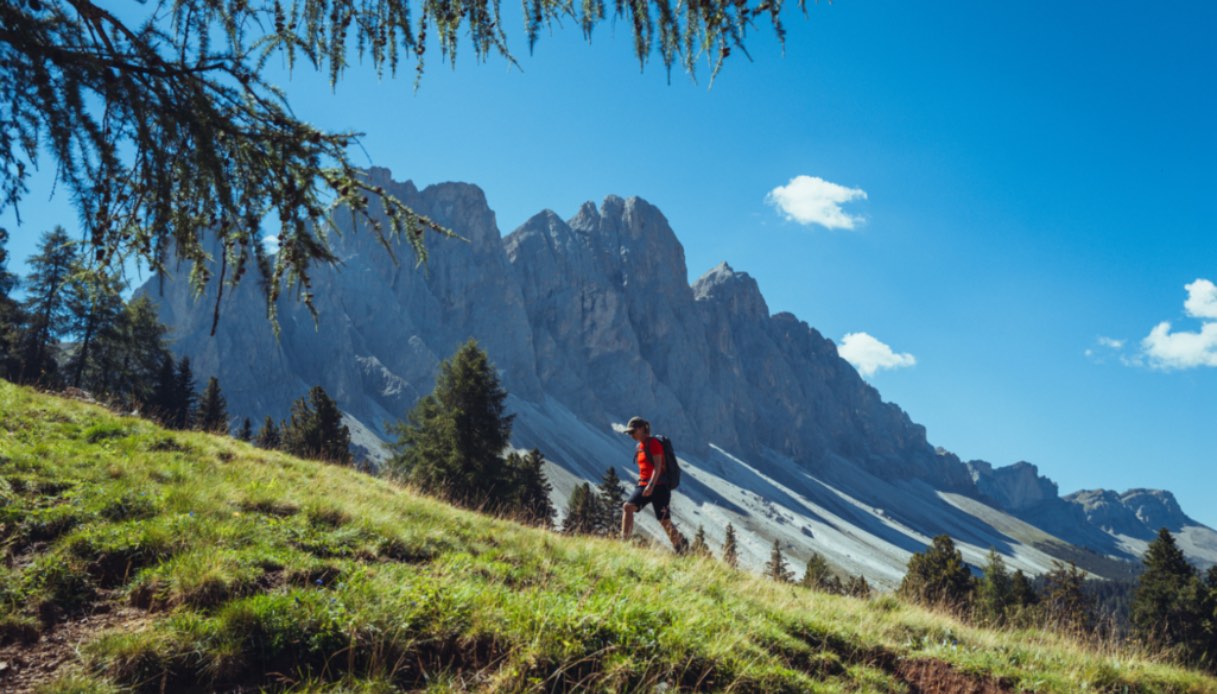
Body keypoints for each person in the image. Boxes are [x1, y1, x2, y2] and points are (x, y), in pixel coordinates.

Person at [621, 416, 687, 552]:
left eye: (632, 432)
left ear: (641, 429)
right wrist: (644, 484)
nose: (631, 435)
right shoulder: (639, 446)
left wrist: (650, 486)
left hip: (659, 486)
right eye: (629, 433)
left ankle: (681, 550)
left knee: (664, 520)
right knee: (628, 507)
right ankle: (624, 543)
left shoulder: (654, 444)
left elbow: (658, 467)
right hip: (644, 484)